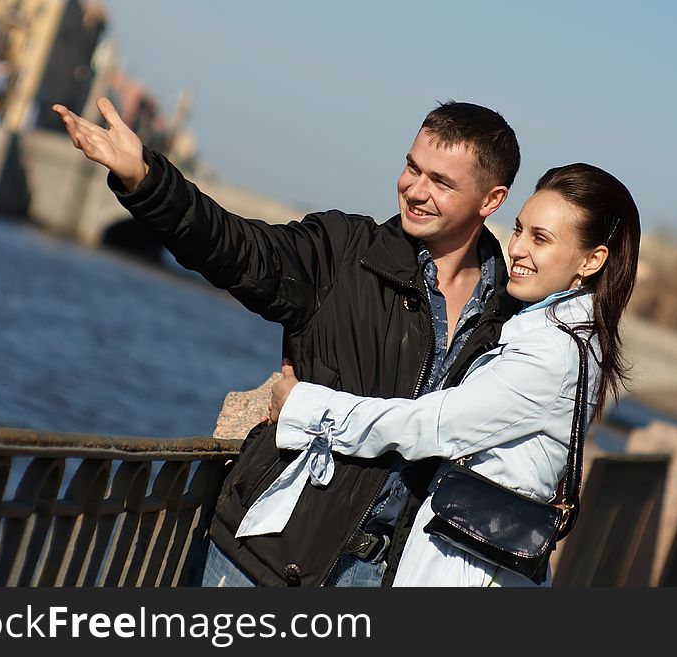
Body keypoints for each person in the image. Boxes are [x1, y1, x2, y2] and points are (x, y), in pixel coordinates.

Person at [52, 97, 522, 586]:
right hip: (263, 555)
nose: (414, 190)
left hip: (386, 577)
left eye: (441, 182)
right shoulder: (344, 252)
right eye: (411, 167)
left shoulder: (506, 319)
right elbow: (234, 248)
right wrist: (145, 177)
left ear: (491, 200)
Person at [261, 163, 641, 586]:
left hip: (468, 572)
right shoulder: (569, 338)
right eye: (518, 230)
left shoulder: (552, 353)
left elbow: (430, 426)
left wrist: (304, 406)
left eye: (541, 239)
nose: (516, 249)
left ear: (592, 260)